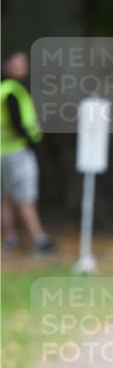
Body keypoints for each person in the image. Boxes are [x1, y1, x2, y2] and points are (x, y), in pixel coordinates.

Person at [1, 52, 55, 254]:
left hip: (3, 151)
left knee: (5, 197)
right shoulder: (12, 91)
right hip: (18, 150)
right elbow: (17, 122)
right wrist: (31, 141)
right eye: (19, 62)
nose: (24, 66)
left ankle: (10, 239)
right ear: (7, 66)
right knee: (25, 197)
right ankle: (39, 240)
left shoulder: (2, 89)